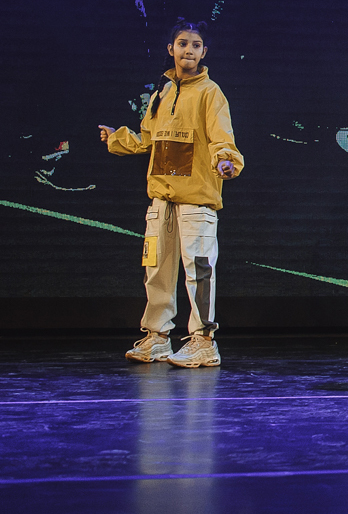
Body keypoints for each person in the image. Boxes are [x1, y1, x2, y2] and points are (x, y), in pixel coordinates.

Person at [100, 19, 244, 368]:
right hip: (161, 199)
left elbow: (222, 138)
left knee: (199, 270)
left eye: (195, 45)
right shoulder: (161, 94)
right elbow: (148, 138)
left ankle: (203, 341)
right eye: (182, 44)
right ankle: (157, 336)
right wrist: (117, 138)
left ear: (204, 52)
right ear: (171, 49)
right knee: (156, 270)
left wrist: (226, 161)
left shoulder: (210, 93)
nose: (188, 50)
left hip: (196, 199)